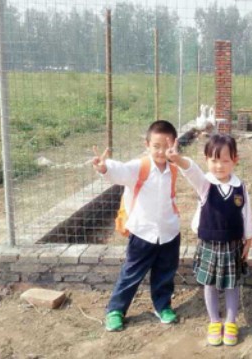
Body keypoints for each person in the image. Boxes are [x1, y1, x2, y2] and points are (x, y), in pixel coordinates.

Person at [92, 120, 181, 332]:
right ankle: (116, 310)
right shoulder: (140, 166)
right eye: (156, 146)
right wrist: (104, 168)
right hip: (143, 233)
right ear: (147, 144)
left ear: (174, 145)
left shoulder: (174, 168)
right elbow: (120, 171)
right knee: (131, 273)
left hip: (169, 232)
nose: (161, 151)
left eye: (166, 147)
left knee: (165, 274)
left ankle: (163, 306)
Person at [167, 134, 252, 347]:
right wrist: (178, 160)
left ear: (235, 160)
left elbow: (247, 214)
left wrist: (249, 239)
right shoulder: (206, 185)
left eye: (225, 160)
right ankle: (215, 321)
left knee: (232, 285)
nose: (219, 166)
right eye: (214, 160)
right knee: (210, 284)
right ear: (207, 159)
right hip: (209, 244)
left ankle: (231, 322)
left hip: (233, 244)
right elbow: (192, 171)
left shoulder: (240, 187)